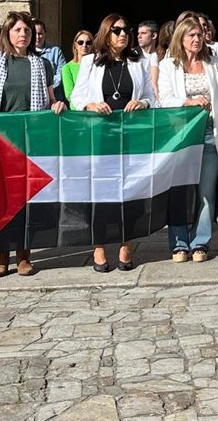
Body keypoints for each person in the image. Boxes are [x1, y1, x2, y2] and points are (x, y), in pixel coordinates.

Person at [0, 11, 66, 277]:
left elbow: (51, 99)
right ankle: (0, 255)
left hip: (32, 140)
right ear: (7, 33)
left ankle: (23, 254)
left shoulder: (42, 64)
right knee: (2, 198)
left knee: (26, 198)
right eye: (18, 30)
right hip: (3, 140)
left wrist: (58, 105)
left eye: (27, 31)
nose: (23, 35)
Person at [71, 14, 155, 272]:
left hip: (130, 137)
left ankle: (125, 245)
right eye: (117, 30)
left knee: (130, 190)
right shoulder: (90, 62)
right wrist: (90, 105)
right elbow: (76, 98)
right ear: (106, 33)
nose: (123, 34)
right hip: (100, 137)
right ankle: (99, 246)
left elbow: (152, 96)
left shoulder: (139, 62)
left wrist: (143, 102)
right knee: (101, 191)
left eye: (126, 30)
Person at [156, 16, 218, 262]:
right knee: (180, 190)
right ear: (181, 38)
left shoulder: (212, 61)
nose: (197, 39)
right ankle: (179, 243)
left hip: (208, 132)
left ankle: (201, 242)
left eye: (199, 35)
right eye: (192, 35)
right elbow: (164, 98)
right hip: (181, 136)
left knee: (206, 191)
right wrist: (188, 101)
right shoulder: (168, 65)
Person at [62, 29, 94, 106]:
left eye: (88, 43)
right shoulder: (67, 68)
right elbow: (69, 94)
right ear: (75, 45)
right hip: (77, 110)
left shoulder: (96, 65)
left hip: (96, 108)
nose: (84, 45)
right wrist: (86, 106)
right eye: (80, 42)